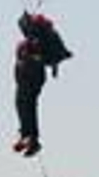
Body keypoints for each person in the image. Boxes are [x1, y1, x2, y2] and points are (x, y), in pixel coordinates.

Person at [12, 13, 72, 157]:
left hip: (32, 78)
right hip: (27, 78)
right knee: (22, 104)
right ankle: (26, 135)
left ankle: (32, 139)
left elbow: (43, 57)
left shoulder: (39, 38)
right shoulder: (34, 38)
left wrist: (31, 59)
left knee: (27, 105)